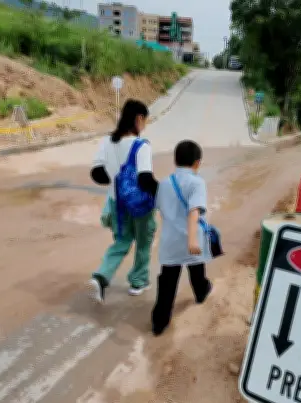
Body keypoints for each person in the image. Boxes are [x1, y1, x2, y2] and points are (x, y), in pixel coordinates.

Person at [88, 99, 158, 303]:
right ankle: (138, 281)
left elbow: (97, 172)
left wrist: (116, 181)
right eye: (145, 120)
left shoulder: (107, 142)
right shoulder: (141, 146)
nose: (144, 125)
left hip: (116, 204)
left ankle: (101, 276)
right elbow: (145, 179)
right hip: (140, 206)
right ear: (138, 119)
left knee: (122, 241)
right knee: (144, 243)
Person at [151, 140, 213, 336]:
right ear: (197, 163)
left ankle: (159, 324)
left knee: (167, 283)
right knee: (197, 274)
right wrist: (192, 240)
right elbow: (194, 211)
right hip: (191, 240)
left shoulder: (164, 183)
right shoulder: (197, 182)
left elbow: (160, 209)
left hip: (170, 242)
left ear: (175, 160)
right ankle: (202, 294)